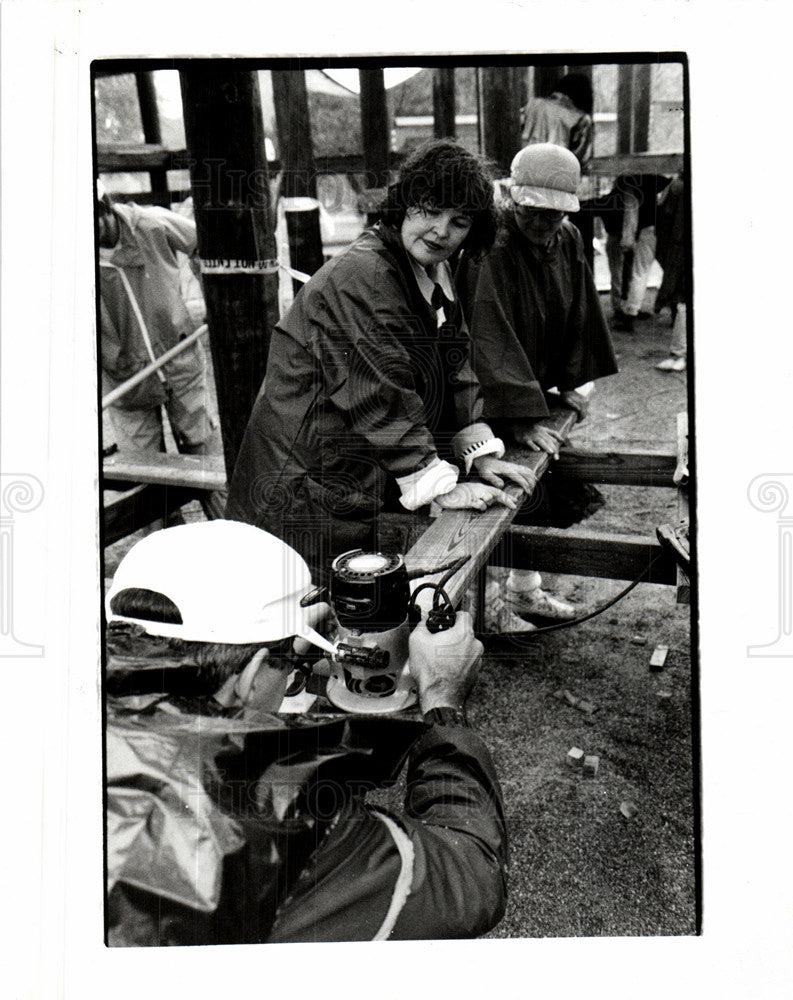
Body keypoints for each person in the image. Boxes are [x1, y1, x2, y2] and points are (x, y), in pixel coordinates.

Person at [104, 519, 507, 944]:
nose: (301, 667)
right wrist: (443, 701)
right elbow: (471, 879)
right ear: (252, 674)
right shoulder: (285, 818)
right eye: (291, 661)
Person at [226, 140, 536, 583]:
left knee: (348, 604)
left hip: (354, 465)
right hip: (301, 471)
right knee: (296, 598)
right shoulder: (365, 275)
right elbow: (380, 389)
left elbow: (453, 360)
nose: (440, 231)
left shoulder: (432, 269)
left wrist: (476, 451)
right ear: (405, 202)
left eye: (459, 221)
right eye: (429, 210)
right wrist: (439, 484)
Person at [457, 144, 618, 627]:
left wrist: (568, 381)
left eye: (555, 212)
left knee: (539, 488)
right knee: (492, 497)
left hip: (534, 388)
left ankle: (524, 591)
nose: (544, 221)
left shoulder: (566, 238)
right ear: (513, 197)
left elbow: (579, 310)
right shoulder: (491, 247)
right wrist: (522, 413)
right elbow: (486, 335)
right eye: (533, 210)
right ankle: (482, 612)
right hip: (484, 399)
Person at [96, 180, 221, 455]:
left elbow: (205, 244)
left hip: (179, 359)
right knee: (141, 475)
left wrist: (215, 303)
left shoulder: (150, 224)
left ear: (104, 208)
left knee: (206, 462)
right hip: (125, 381)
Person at [595, 173, 672, 332]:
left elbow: (631, 217)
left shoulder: (631, 190)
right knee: (662, 269)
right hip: (658, 230)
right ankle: (672, 307)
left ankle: (630, 313)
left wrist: (628, 241)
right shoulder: (652, 186)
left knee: (638, 272)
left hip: (645, 231)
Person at [520, 72, 594, 168]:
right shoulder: (581, 118)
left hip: (526, 168)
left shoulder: (532, 105)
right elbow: (580, 159)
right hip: (558, 172)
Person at [653, 174, 687, 372]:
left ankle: (679, 353)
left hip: (679, 244)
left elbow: (665, 215)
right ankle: (680, 352)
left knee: (682, 300)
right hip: (680, 243)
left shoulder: (677, 186)